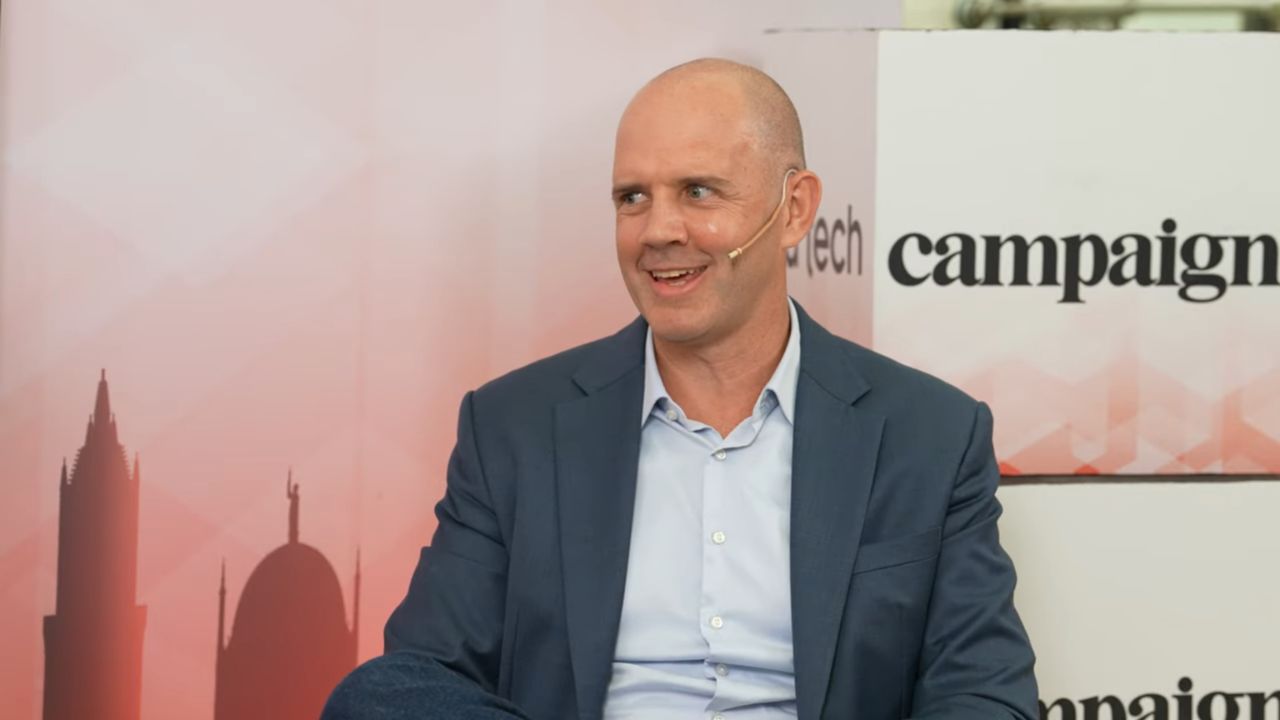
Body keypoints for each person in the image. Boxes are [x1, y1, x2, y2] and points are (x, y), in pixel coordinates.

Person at [323, 58, 1037, 720]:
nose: (658, 230)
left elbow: (984, 694)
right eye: (632, 198)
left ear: (794, 208)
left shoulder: (930, 435)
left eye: (698, 191)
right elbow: (421, 675)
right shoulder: (513, 426)